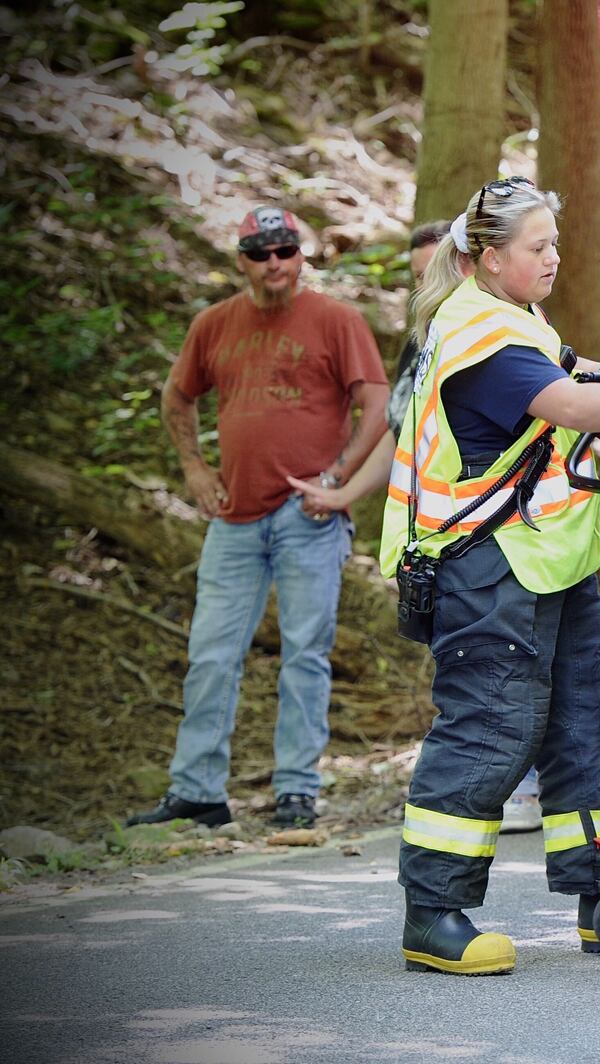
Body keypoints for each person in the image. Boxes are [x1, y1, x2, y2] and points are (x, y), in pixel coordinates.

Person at [378, 175, 600, 976]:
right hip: (486, 566)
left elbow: (576, 373)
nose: (554, 258)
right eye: (538, 247)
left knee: (596, 724)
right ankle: (433, 914)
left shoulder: (514, 317)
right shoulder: (480, 334)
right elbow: (571, 407)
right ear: (488, 259)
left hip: (546, 557)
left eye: (554, 242)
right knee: (489, 732)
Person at [128, 206, 390, 831]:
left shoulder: (336, 319)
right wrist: (194, 468)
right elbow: (177, 396)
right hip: (234, 517)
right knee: (212, 654)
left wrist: (338, 478)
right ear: (240, 261)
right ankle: (196, 791)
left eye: (285, 250)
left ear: (301, 256)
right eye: (259, 252)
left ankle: (296, 790)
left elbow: (377, 401)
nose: (274, 262)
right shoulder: (214, 324)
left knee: (305, 653)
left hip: (308, 515)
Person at [291, 219, 546, 834]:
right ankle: (496, 790)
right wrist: (347, 492)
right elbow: (400, 431)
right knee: (476, 676)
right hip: (435, 542)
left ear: (476, 264)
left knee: (509, 672)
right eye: (418, 277)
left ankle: (524, 787)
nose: (432, 285)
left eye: (441, 268)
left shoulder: (502, 334)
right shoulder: (425, 340)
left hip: (503, 536)